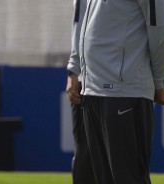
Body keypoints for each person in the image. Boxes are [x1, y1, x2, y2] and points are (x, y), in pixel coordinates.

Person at [67, 0, 164, 183]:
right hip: (93, 89)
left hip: (125, 90)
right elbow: (82, 18)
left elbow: (161, 29)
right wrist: (75, 69)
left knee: (128, 177)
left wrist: (158, 81)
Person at [66, 0, 96, 184]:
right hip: (92, 78)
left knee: (87, 151)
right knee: (86, 151)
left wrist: (73, 72)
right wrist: (73, 72)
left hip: (97, 79)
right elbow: (79, 24)